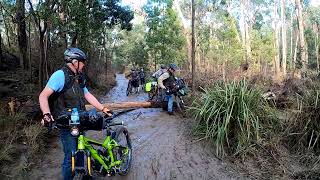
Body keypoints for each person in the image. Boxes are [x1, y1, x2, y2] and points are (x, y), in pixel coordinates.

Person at [39, 47, 112, 180]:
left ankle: (81, 174)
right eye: (82, 62)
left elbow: (87, 94)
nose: (84, 65)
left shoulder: (78, 76)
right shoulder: (59, 75)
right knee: (70, 156)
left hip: (80, 120)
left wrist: (102, 108)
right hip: (66, 123)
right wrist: (46, 114)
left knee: (80, 152)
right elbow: (43, 96)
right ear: (74, 62)